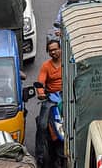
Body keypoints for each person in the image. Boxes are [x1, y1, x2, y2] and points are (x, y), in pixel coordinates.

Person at [35, 36, 63, 166]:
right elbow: (40, 82)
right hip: (51, 98)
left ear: (60, 49)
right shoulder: (46, 66)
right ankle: (39, 156)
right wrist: (41, 93)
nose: (53, 52)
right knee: (42, 125)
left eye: (55, 49)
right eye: (50, 50)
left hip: (66, 97)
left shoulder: (67, 63)